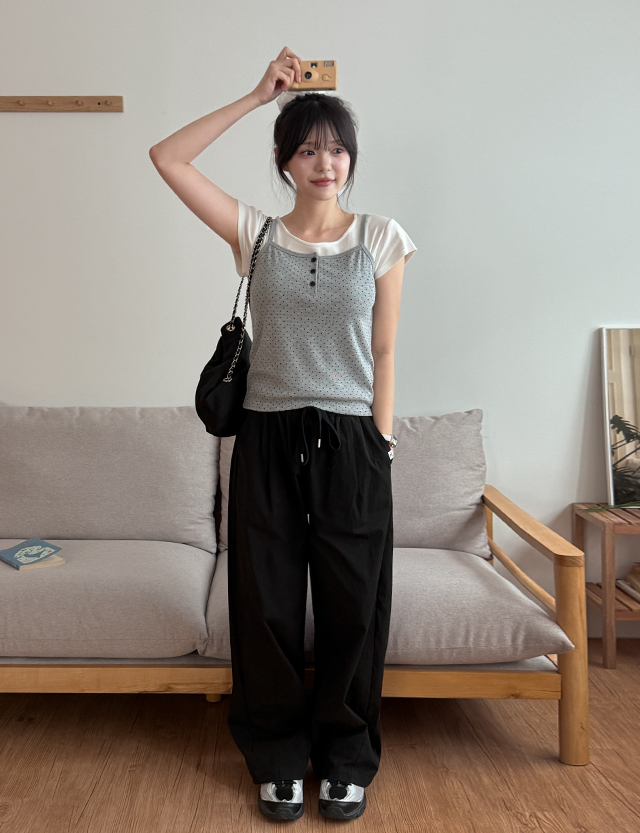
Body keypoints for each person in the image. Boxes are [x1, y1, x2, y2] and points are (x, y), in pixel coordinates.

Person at [149, 46, 417, 822]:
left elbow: (387, 351)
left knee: (353, 606)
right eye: (307, 149)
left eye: (336, 149)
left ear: (351, 159)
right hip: (266, 438)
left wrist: (382, 442)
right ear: (284, 160)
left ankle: (346, 756)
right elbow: (167, 157)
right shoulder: (255, 234)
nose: (324, 163)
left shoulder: (381, 237)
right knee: (264, 605)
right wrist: (254, 94)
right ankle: (274, 755)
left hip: (353, 442)